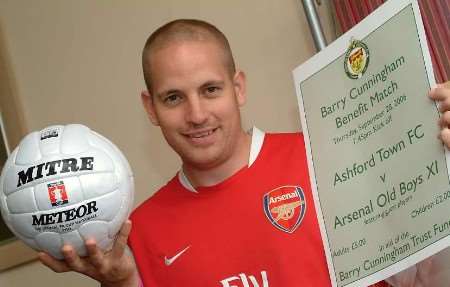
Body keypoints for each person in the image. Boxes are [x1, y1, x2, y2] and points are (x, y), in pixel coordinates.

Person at [39, 19, 450, 287]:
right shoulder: (137, 234)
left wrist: (441, 163)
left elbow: (429, 276)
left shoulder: (331, 159)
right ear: (151, 108)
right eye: (173, 98)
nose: (197, 114)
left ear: (238, 88)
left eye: (210, 89)